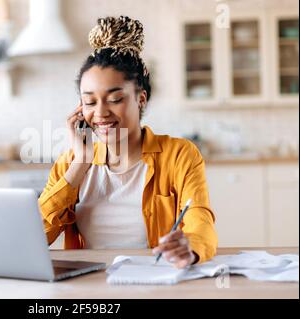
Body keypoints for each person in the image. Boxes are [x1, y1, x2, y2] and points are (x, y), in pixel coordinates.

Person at [38, 16, 217, 268]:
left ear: (140, 98)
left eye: (114, 99)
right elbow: (35, 237)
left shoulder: (179, 155)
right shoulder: (70, 163)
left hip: (156, 280)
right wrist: (80, 166)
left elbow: (200, 219)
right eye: (89, 102)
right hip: (88, 287)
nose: (99, 113)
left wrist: (191, 246)